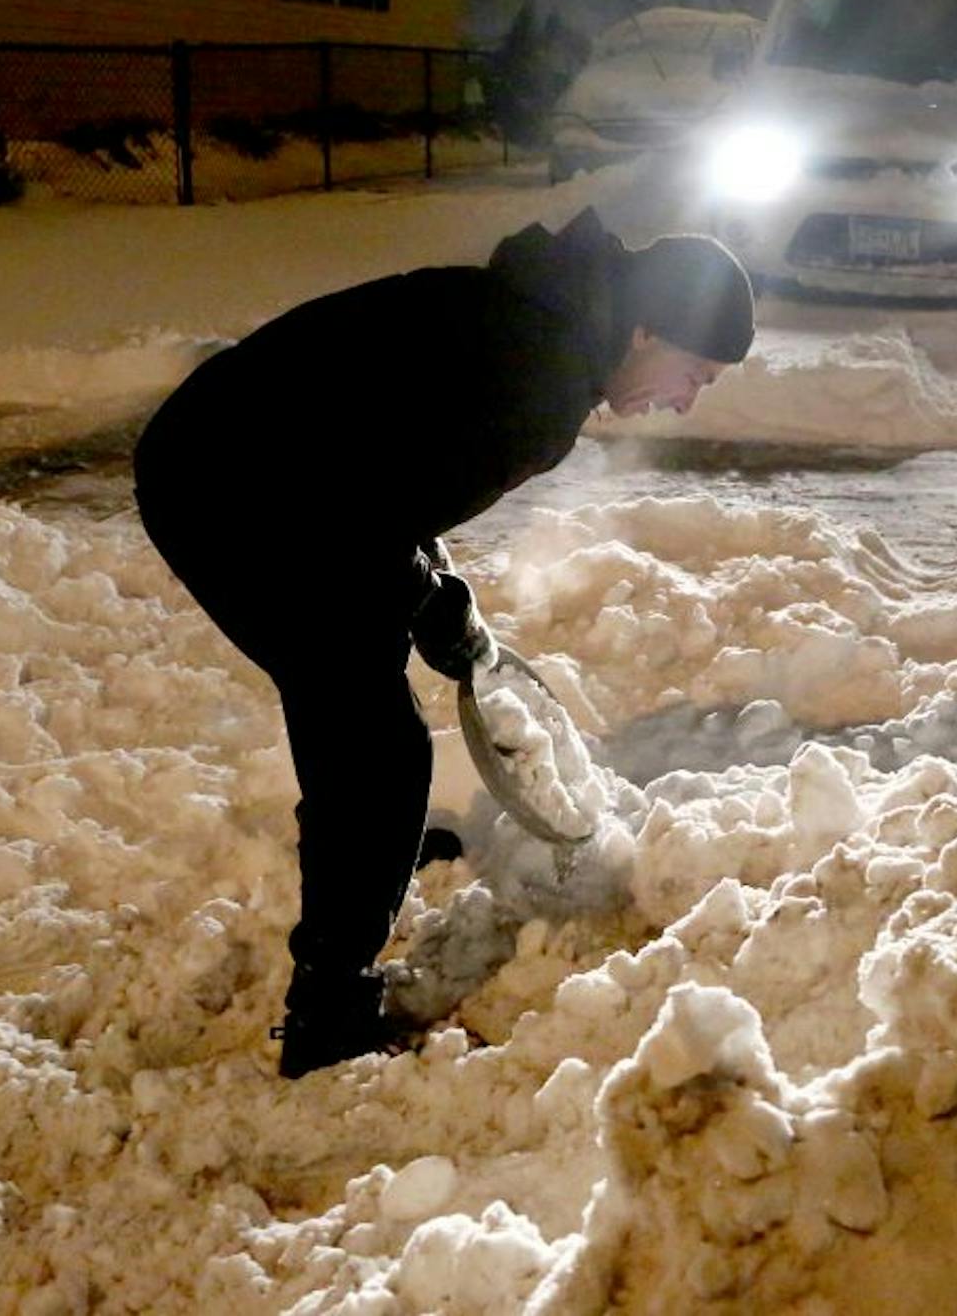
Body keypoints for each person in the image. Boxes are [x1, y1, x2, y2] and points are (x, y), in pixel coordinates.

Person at [131, 208, 755, 1078]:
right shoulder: (540, 379)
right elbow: (353, 516)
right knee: (373, 746)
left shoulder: (540, 328)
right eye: (694, 374)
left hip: (246, 462)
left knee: (359, 702)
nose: (684, 401)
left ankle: (366, 857)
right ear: (646, 330)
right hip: (231, 487)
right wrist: (431, 604)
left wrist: (434, 597)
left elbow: (391, 472)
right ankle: (330, 1007)